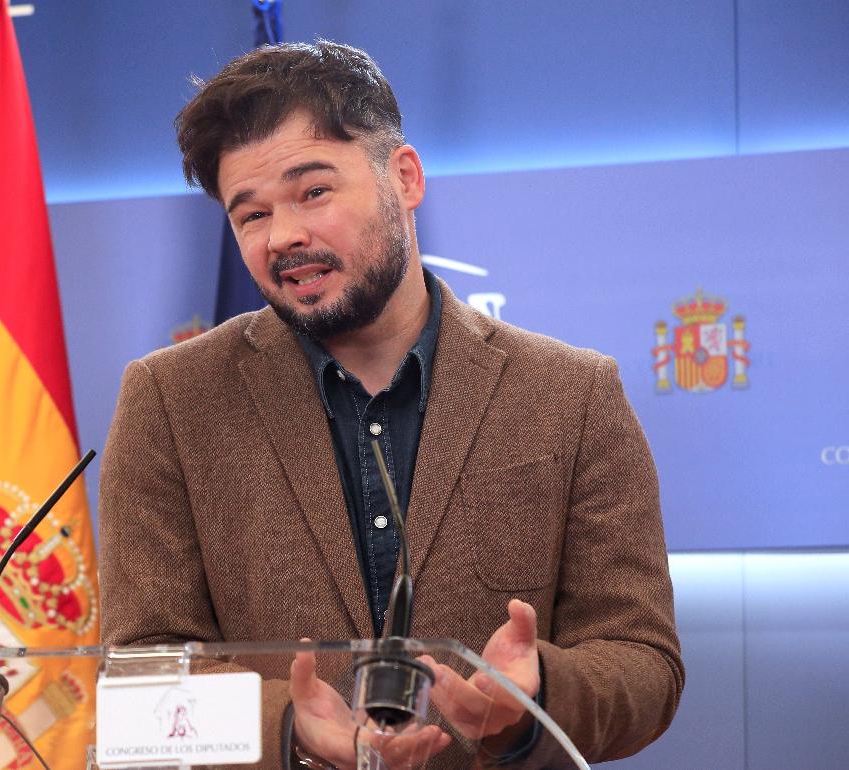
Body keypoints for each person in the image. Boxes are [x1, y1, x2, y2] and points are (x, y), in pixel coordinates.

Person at [98, 41, 683, 769]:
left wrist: (533, 697)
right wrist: (289, 725)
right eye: (250, 215)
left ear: (403, 178)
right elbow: (135, 676)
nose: (283, 237)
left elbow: (643, 661)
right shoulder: (170, 401)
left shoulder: (571, 393)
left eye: (313, 192)